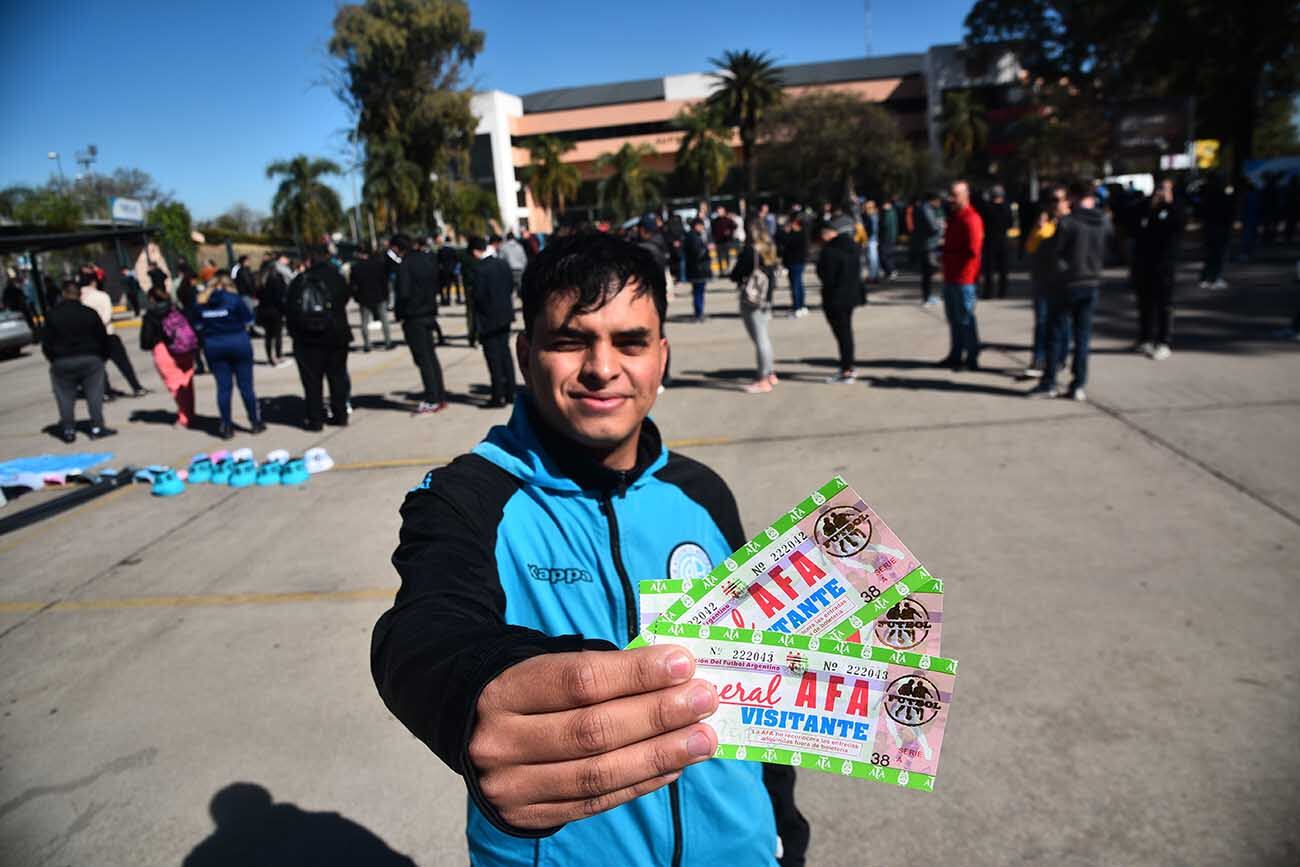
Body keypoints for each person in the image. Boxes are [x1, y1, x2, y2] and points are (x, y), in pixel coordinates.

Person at [372, 231, 809, 867]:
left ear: (662, 356)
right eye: (571, 340)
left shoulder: (703, 494)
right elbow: (424, 628)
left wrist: (783, 831)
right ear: (525, 354)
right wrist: (473, 690)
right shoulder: (467, 498)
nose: (603, 367)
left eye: (630, 342)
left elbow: (763, 680)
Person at [1028, 182, 1110, 402]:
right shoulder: (1102, 221)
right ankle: (1078, 384)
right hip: (1091, 282)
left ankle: (1050, 382)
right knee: (1082, 338)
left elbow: (1051, 253)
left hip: (1067, 285)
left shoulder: (1068, 223)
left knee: (1055, 333)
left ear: (1073, 197)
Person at [287, 252, 352, 430]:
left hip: (308, 338)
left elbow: (290, 307)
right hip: (336, 334)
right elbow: (346, 297)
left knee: (312, 381)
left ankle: (315, 419)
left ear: (309, 261)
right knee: (337, 376)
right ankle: (340, 414)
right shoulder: (336, 278)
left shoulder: (300, 280)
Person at [42, 279, 114, 442]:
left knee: (65, 397)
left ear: (63, 294)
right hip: (90, 359)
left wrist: (54, 358)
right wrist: (101, 357)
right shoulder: (89, 313)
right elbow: (103, 338)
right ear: (79, 294)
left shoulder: (52, 315)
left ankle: (68, 430)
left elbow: (46, 341)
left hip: (62, 360)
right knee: (94, 394)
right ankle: (97, 427)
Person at [198, 275, 264, 439]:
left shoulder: (201, 302)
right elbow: (249, 320)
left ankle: (226, 425)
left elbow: (197, 325)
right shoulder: (234, 299)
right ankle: (255, 422)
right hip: (238, 343)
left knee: (223, 388)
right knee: (246, 387)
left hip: (214, 346)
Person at [392, 234, 448, 415]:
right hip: (429, 313)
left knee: (423, 359)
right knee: (431, 357)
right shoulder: (427, 259)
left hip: (414, 316)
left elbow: (404, 292)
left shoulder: (405, 265)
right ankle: (439, 395)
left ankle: (432, 398)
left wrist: (400, 312)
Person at [1131, 177, 1184, 360]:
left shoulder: (1175, 208)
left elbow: (1178, 226)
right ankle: (1145, 338)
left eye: (1165, 189)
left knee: (1164, 305)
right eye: (1159, 188)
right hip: (1145, 263)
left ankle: (1164, 341)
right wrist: (1150, 207)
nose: (1161, 192)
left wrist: (1169, 205)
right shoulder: (1146, 207)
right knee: (1145, 303)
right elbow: (1134, 226)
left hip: (1165, 264)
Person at [1022, 187, 1070, 378]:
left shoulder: (1070, 223)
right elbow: (1030, 247)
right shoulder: (1045, 223)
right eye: (1052, 200)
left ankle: (1060, 359)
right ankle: (1038, 359)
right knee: (1041, 321)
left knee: (1063, 322)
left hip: (1062, 281)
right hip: (1043, 280)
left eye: (1059, 200)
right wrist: (1039, 230)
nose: (1055, 204)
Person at [940, 180, 985, 371]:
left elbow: (973, 250)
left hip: (964, 278)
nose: (951, 199)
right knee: (954, 318)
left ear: (966, 195)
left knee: (965, 318)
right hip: (951, 276)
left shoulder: (971, 219)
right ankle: (956, 354)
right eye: (950, 194)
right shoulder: (955, 217)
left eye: (955, 195)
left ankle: (972, 356)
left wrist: (949, 254)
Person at [80, 271, 147, 397]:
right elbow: (107, 316)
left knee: (98, 366)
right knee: (123, 363)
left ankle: (106, 391)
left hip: (91, 338)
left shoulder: (80, 299)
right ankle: (136, 387)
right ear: (93, 282)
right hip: (108, 334)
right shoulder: (101, 296)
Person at [139, 282, 197, 428]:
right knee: (187, 383)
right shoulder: (176, 309)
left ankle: (184, 416)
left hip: (163, 351)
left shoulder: (151, 315)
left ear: (151, 299)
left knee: (175, 386)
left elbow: (145, 341)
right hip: (185, 349)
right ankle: (190, 412)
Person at [467, 235, 516, 408]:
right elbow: (511, 286)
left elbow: (477, 296)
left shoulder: (480, 269)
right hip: (504, 315)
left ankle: (498, 395)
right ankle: (511, 392)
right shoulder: (502, 263)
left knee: (493, 358)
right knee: (505, 354)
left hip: (488, 319)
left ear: (474, 251)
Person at [731, 221, 779, 393]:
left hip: (752, 299)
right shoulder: (769, 248)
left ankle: (763, 378)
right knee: (764, 337)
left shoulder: (750, 251)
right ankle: (770, 373)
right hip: (766, 297)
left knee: (760, 339)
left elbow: (735, 274)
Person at [817, 215, 862, 383]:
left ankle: (847, 369)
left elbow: (825, 275)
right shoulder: (854, 247)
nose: (822, 234)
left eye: (826, 231)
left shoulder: (830, 251)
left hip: (835, 297)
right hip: (850, 295)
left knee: (842, 333)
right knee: (846, 333)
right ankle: (848, 365)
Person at [350, 246, 393, 352]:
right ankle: (388, 341)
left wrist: (357, 297)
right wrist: (386, 295)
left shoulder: (356, 267)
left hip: (364, 298)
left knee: (364, 322)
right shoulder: (378, 265)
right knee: (384, 320)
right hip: (379, 296)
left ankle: (367, 344)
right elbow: (384, 282)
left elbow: (352, 285)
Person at [1198, 175, 1234, 290]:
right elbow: (1228, 213)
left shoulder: (1207, 194)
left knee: (1210, 254)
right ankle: (1214, 278)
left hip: (1210, 227)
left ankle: (1206, 278)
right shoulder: (1222, 195)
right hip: (1219, 228)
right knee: (1217, 254)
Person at [257, 253, 291, 366]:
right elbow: (280, 295)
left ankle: (269, 356)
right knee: (277, 335)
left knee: (268, 335)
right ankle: (278, 355)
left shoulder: (260, 280)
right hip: (275, 310)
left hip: (264, 309)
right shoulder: (277, 278)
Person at [980, 186, 1013, 299]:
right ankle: (1002, 292)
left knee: (989, 268)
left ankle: (988, 292)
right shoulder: (1006, 207)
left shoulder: (987, 207)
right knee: (1003, 268)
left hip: (990, 239)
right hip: (1003, 239)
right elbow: (1010, 223)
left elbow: (982, 223)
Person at [912, 192, 944, 305]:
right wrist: (942, 227)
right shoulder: (927, 210)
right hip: (928, 244)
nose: (939, 204)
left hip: (924, 244)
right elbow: (933, 227)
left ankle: (927, 296)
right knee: (928, 272)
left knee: (927, 272)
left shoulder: (921, 208)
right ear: (933, 200)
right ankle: (927, 297)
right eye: (938, 201)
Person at [779, 213, 809, 317]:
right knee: (799, 284)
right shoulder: (802, 233)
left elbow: (786, 242)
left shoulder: (798, 234)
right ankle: (802, 306)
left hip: (794, 262)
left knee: (795, 285)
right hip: (798, 262)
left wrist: (784, 232)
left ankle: (797, 307)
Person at [684, 217, 712, 321]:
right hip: (697, 269)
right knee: (698, 292)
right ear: (696, 226)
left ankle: (699, 312)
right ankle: (698, 313)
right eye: (701, 226)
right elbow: (697, 253)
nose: (702, 228)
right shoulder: (693, 237)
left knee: (699, 292)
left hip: (697, 269)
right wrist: (706, 250)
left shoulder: (693, 236)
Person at [878, 199, 899, 280]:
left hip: (887, 237)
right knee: (887, 255)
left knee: (885, 255)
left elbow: (886, 225)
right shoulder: (890, 212)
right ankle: (889, 271)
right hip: (888, 237)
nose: (884, 206)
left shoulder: (888, 213)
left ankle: (891, 270)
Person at [711, 205, 736, 271]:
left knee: (727, 256)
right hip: (718, 242)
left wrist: (729, 232)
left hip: (726, 241)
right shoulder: (715, 221)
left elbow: (734, 226)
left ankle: (728, 269)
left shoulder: (728, 220)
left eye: (721, 211)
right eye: (718, 211)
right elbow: (713, 231)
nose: (720, 213)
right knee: (719, 257)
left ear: (724, 211)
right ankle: (721, 271)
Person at [861, 200, 880, 282]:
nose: (866, 209)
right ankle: (874, 276)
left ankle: (873, 277)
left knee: (872, 259)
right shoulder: (873, 215)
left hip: (871, 240)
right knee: (873, 258)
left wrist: (866, 240)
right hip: (873, 239)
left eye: (868, 207)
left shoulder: (872, 216)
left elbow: (872, 230)